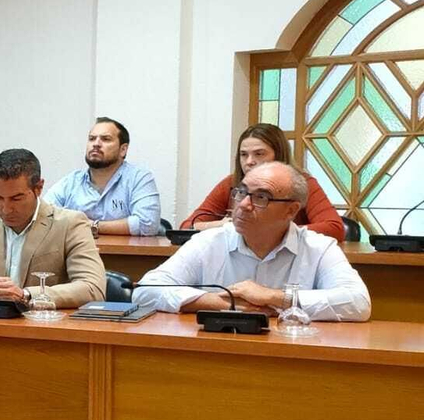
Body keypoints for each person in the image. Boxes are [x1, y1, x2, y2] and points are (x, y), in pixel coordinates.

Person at [138, 162, 370, 320]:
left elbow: (358, 303)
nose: (244, 205)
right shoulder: (209, 242)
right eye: (241, 192)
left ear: (290, 211)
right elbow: (145, 290)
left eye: (261, 197)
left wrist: (276, 297)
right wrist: (224, 303)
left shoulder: (318, 248)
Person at [0, 148, 107, 310]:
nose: (6, 209)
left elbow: (93, 288)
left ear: (38, 188)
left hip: (44, 331)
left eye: (16, 198)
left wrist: (27, 295)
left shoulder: (71, 224)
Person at [182, 122, 345, 240]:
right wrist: (222, 226)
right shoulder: (231, 183)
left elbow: (334, 228)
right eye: (243, 154)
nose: (249, 161)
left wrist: (271, 231)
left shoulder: (303, 183)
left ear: (278, 155)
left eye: (259, 154)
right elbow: (187, 226)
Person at [42, 117, 162, 236]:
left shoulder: (139, 178)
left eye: (105, 139)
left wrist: (93, 226)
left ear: (123, 150)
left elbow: (147, 224)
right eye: (92, 138)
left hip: (123, 254)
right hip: (77, 253)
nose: (96, 144)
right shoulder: (71, 182)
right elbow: (43, 216)